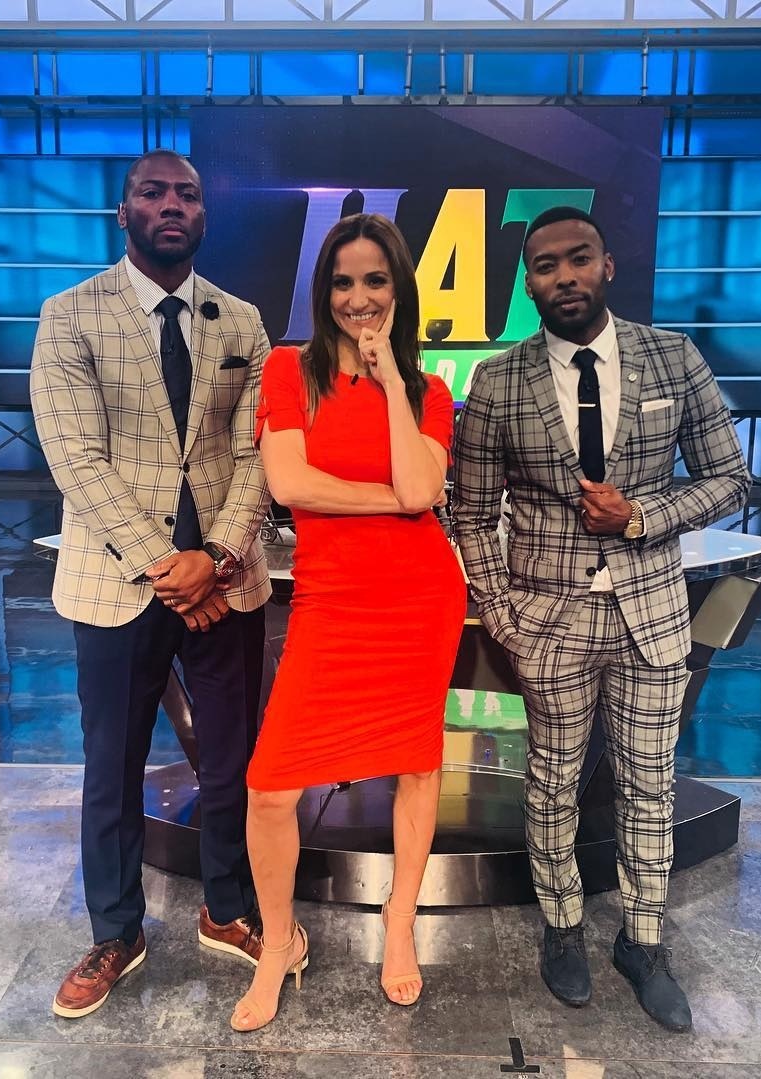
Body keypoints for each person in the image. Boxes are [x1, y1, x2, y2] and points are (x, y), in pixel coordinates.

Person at [452, 206, 750, 1033]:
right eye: (546, 265)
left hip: (651, 615)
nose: (565, 276)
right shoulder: (498, 380)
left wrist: (642, 516)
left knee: (649, 784)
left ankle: (644, 943)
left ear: (607, 264)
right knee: (551, 783)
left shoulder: (672, 356)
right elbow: (469, 511)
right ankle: (563, 928)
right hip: (547, 622)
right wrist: (503, 614)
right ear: (529, 282)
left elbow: (730, 479)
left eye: (578, 258)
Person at [30, 149, 273, 1019]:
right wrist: (170, 567)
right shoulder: (69, 316)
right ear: (123, 210)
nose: (172, 204)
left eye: (188, 194)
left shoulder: (240, 320)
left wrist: (219, 554)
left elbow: (258, 453)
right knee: (114, 762)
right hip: (117, 582)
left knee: (234, 757)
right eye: (153, 191)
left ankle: (227, 905)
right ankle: (116, 930)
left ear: (204, 214)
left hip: (227, 580)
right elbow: (76, 459)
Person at [230, 213, 467, 1032]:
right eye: (342, 281)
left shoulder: (428, 392)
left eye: (375, 280)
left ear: (398, 289)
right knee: (269, 787)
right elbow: (291, 484)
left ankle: (399, 922)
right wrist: (397, 501)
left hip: (419, 599)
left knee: (418, 768)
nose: (358, 297)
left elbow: (423, 483)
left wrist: (394, 382)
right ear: (322, 289)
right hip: (332, 601)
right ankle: (280, 940)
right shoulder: (290, 371)